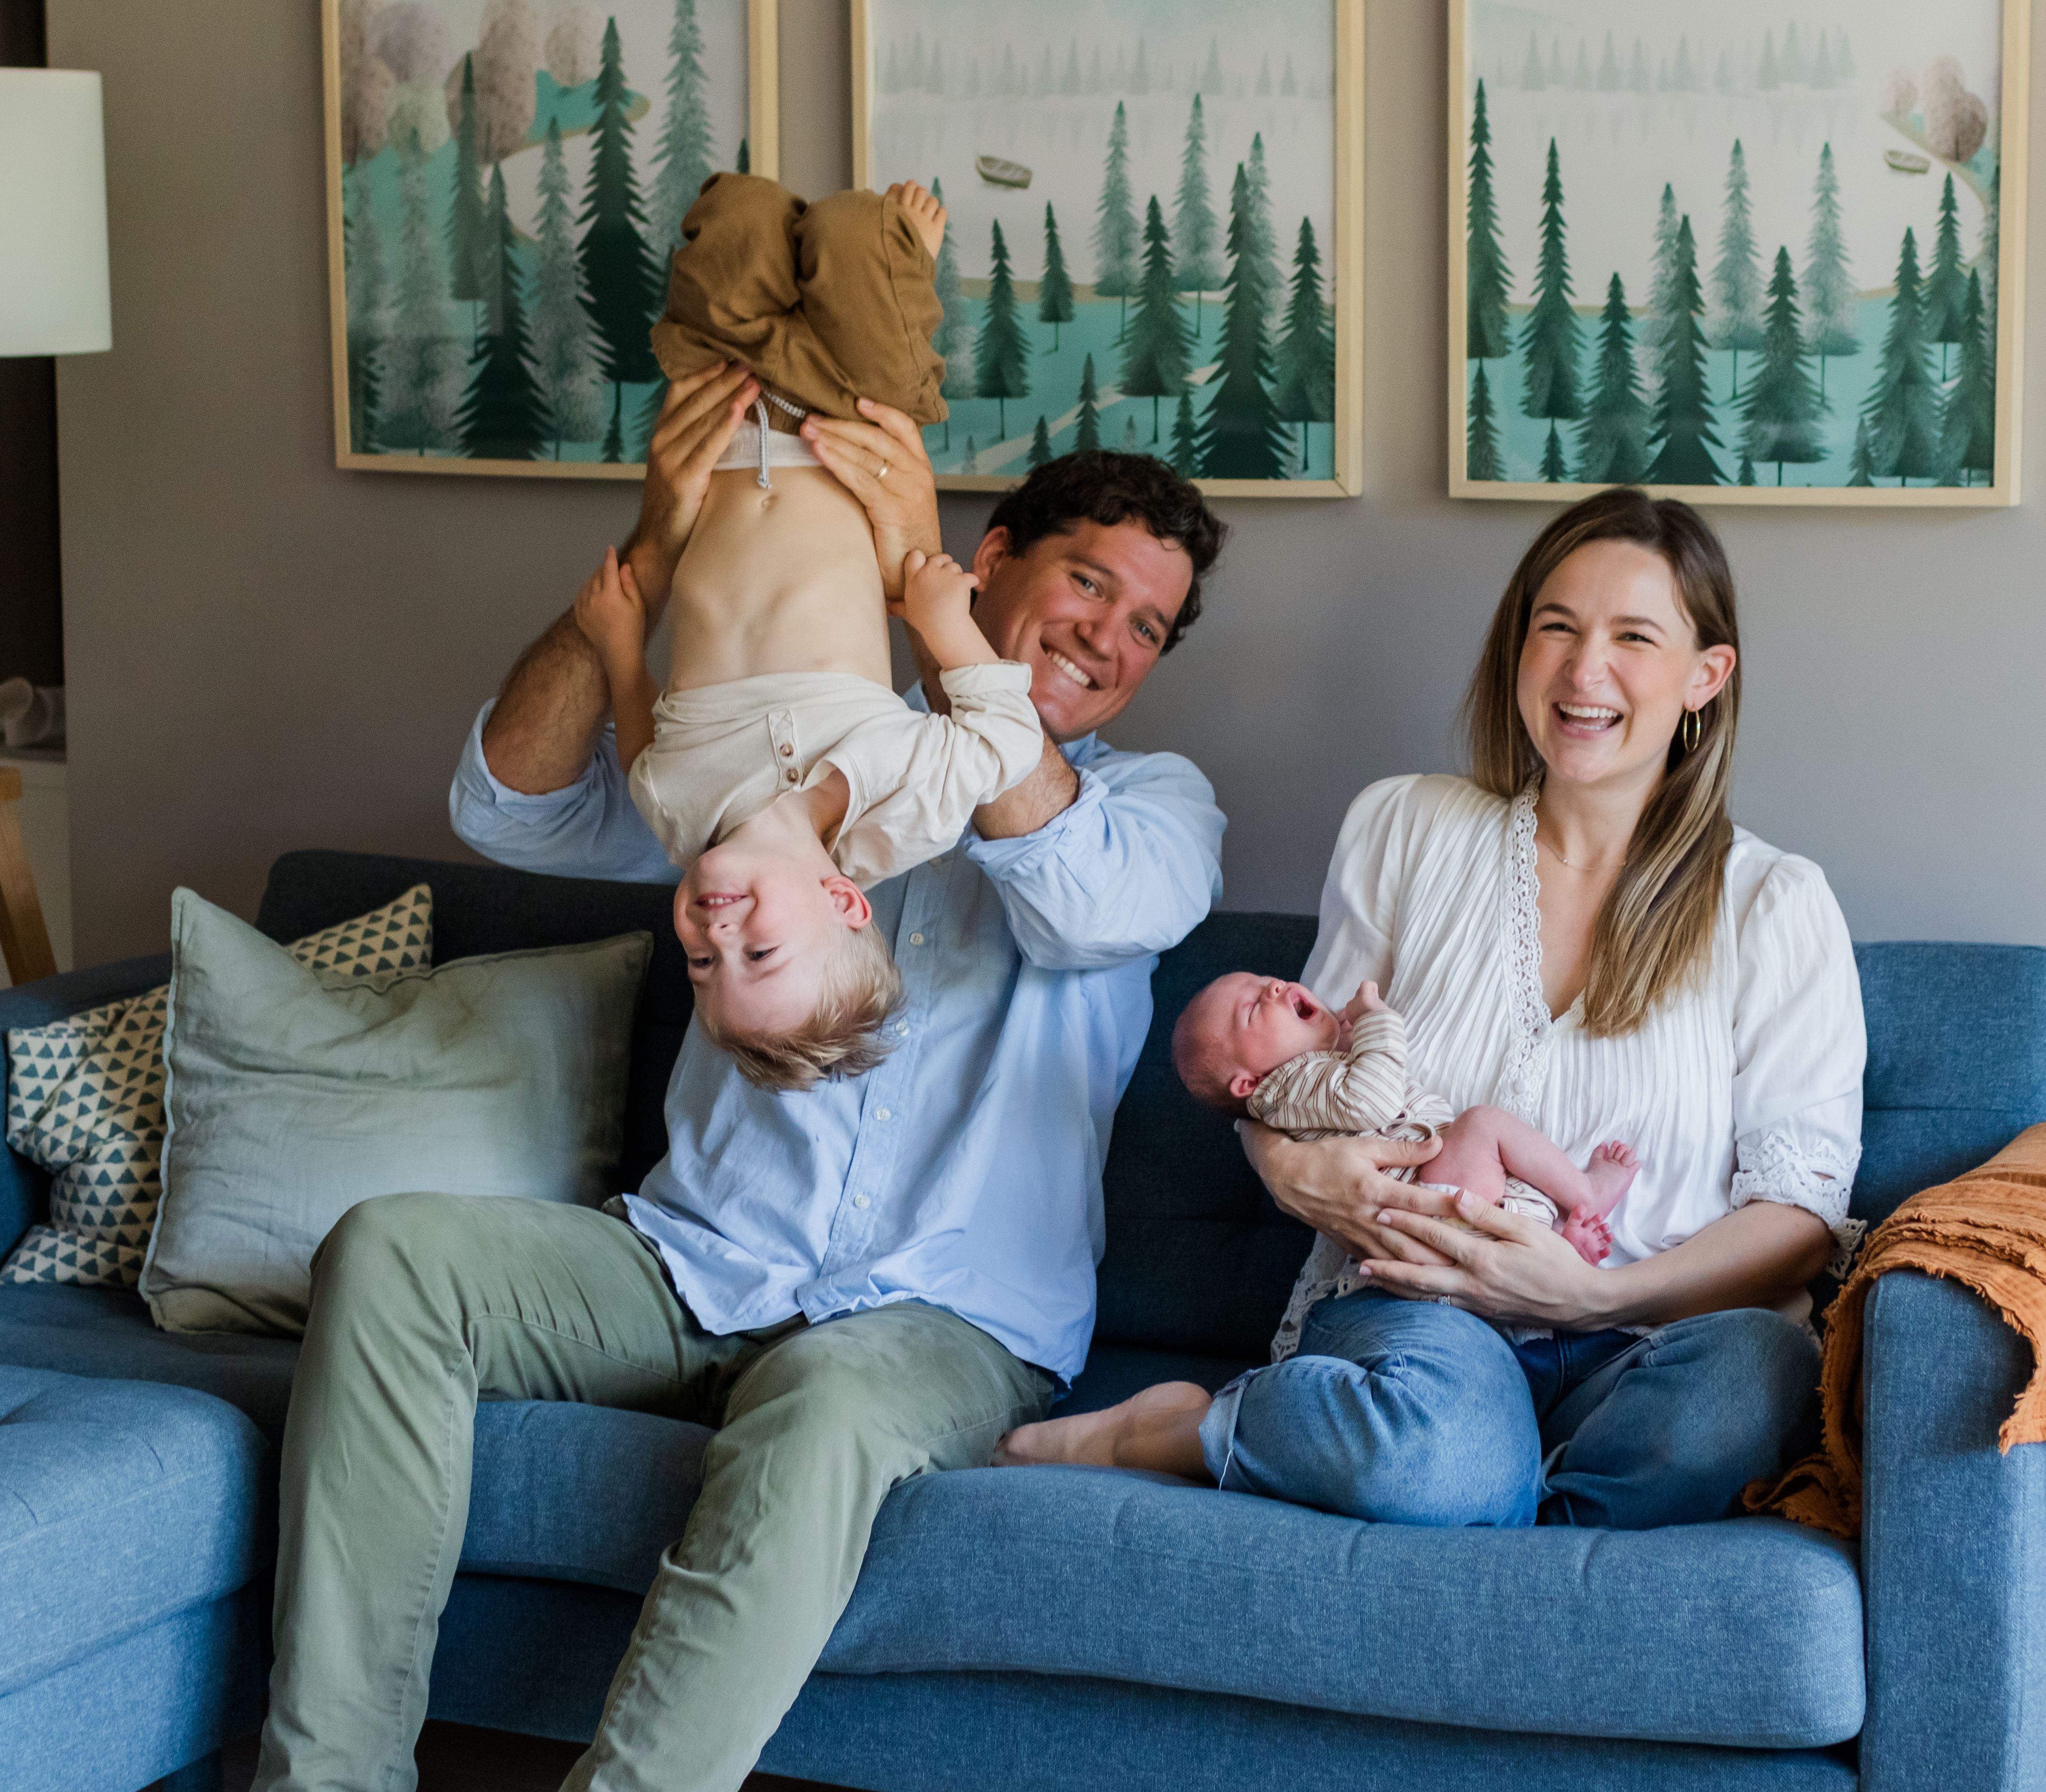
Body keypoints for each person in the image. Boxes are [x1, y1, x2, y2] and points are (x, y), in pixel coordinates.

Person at [248, 371, 1230, 1792]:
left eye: (1147, 623)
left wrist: (936, 617)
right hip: (695, 1260)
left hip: (944, 1316)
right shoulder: (786, 737)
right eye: (1089, 581)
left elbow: (1078, 904)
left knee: (828, 1397)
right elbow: (508, 807)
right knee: (398, 1253)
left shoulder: (1153, 809)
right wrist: (649, 562)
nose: (1109, 636)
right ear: (997, 550)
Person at [996, 488, 1866, 1538]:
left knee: (1758, 1378)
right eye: (1556, 628)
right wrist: (1286, 1167)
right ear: (1518, 650)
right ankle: (1196, 1433)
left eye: (1633, 637)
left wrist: (1589, 1299)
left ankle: (1486, 1503)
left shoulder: (1775, 903)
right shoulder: (1405, 826)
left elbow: (1799, 1219)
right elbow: (1293, 1080)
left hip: (1645, 1337)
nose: (1584, 672)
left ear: (1703, 678)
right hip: (1418, 1312)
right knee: (1444, 1452)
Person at [566, 177, 1043, 1084]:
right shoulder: (902, 811)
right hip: (852, 422)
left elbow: (639, 745)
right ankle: (905, 273)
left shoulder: (680, 817)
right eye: (759, 955)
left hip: (733, 415)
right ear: (842, 901)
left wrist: (621, 644)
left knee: (736, 217)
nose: (717, 937)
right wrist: (950, 628)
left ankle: (817, 261)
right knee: (858, 232)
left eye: (703, 966)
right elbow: (1007, 741)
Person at [1169, 969, 1637, 1320]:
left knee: (1487, 1164)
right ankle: (1584, 1193)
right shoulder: (1287, 1087)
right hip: (1426, 1202)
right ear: (1248, 1083)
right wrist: (1377, 1020)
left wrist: (1342, 1040)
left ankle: (1555, 1241)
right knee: (1482, 1124)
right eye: (1252, 1010)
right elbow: (1372, 1099)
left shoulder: (1304, 1089)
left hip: (1433, 1216)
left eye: (1264, 980)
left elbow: (1346, 1098)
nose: (1271, 989)